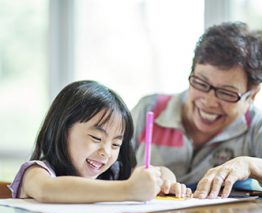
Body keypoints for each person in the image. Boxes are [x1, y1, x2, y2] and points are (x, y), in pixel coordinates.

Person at [131, 21, 262, 199]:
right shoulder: (149, 110)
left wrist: (249, 165)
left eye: (227, 93)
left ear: (252, 95)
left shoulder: (256, 124)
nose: (209, 101)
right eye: (201, 83)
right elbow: (106, 171)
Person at [9, 80, 191, 203]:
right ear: (62, 130)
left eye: (115, 144)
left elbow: (160, 171)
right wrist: (128, 189)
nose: (106, 152)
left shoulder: (112, 173)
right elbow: (46, 190)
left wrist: (165, 182)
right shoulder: (36, 171)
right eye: (96, 138)